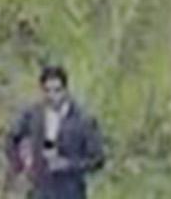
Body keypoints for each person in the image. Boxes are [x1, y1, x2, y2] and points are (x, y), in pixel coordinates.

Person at [6, 64, 105, 196]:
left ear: (66, 90)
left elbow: (97, 159)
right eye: (47, 90)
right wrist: (21, 164)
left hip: (70, 191)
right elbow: (12, 139)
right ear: (41, 90)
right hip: (39, 190)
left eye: (57, 90)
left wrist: (68, 165)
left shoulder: (83, 120)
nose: (52, 96)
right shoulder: (33, 114)